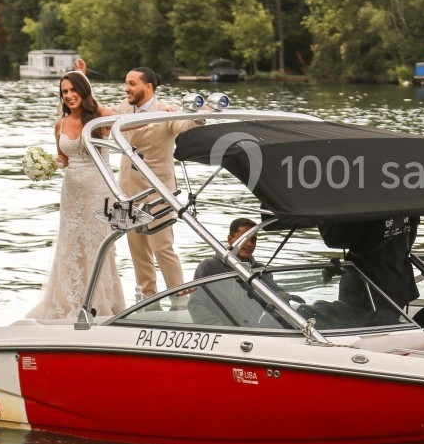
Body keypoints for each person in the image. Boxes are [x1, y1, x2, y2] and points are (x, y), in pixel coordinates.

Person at [77, 59, 201, 301]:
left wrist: (200, 114)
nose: (126, 88)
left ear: (149, 87)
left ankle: (180, 298)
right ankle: (147, 298)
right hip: (128, 190)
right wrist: (84, 80)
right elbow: (97, 109)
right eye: (126, 83)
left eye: (131, 84)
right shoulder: (125, 107)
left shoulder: (167, 110)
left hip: (159, 190)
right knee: (138, 249)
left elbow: (184, 124)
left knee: (162, 246)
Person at [27, 71, 126, 321]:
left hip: (99, 189)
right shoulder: (60, 123)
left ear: (84, 91)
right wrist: (47, 165)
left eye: (73, 90)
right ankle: (71, 301)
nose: (69, 96)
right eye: (64, 92)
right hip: (72, 192)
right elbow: (64, 158)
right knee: (71, 244)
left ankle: (101, 302)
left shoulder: (99, 117)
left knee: (97, 243)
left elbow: (128, 121)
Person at [194, 217, 260, 279]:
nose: (249, 244)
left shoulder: (260, 270)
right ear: (230, 239)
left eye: (253, 240)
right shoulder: (208, 267)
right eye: (244, 239)